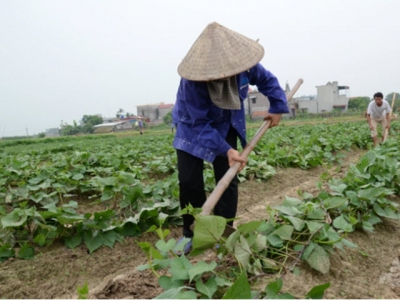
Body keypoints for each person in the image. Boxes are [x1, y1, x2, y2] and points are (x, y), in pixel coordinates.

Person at [172, 22, 288, 254]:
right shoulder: (193, 82)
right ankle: (189, 233)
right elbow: (200, 123)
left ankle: (223, 229)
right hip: (192, 127)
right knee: (189, 181)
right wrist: (225, 149)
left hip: (226, 123)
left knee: (227, 178)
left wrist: (277, 106)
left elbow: (268, 81)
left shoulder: (245, 67)